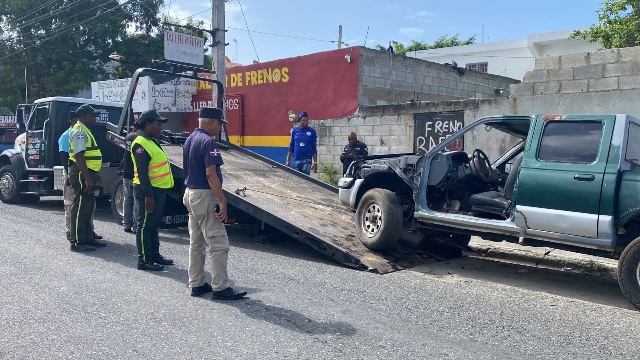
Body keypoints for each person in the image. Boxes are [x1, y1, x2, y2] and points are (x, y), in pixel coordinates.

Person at [183, 107, 247, 300]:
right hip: (205, 196)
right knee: (218, 244)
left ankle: (197, 284)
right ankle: (220, 288)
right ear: (211, 121)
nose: (219, 127)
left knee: (196, 243)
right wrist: (222, 201)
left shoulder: (190, 139)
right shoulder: (208, 143)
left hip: (191, 194)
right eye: (219, 123)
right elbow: (211, 175)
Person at [130, 110, 174, 271]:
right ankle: (144, 260)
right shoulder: (140, 143)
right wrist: (148, 196)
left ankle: (155, 255)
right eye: (158, 124)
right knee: (144, 226)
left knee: (154, 224)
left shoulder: (152, 141)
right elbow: (142, 173)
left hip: (158, 189)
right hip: (147, 190)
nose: (161, 128)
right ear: (148, 125)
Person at [68, 104, 107, 252]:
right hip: (80, 173)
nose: (95, 118)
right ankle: (77, 241)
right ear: (83, 116)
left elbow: (90, 156)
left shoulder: (85, 130)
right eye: (92, 115)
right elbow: (79, 156)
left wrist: (95, 175)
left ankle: (87, 237)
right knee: (79, 208)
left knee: (88, 207)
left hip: (87, 172)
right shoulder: (79, 131)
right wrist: (87, 179)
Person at [122, 125, 138, 234]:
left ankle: (127, 224)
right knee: (137, 201)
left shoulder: (129, 137)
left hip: (126, 173)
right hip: (136, 174)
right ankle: (137, 226)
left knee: (127, 199)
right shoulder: (140, 138)